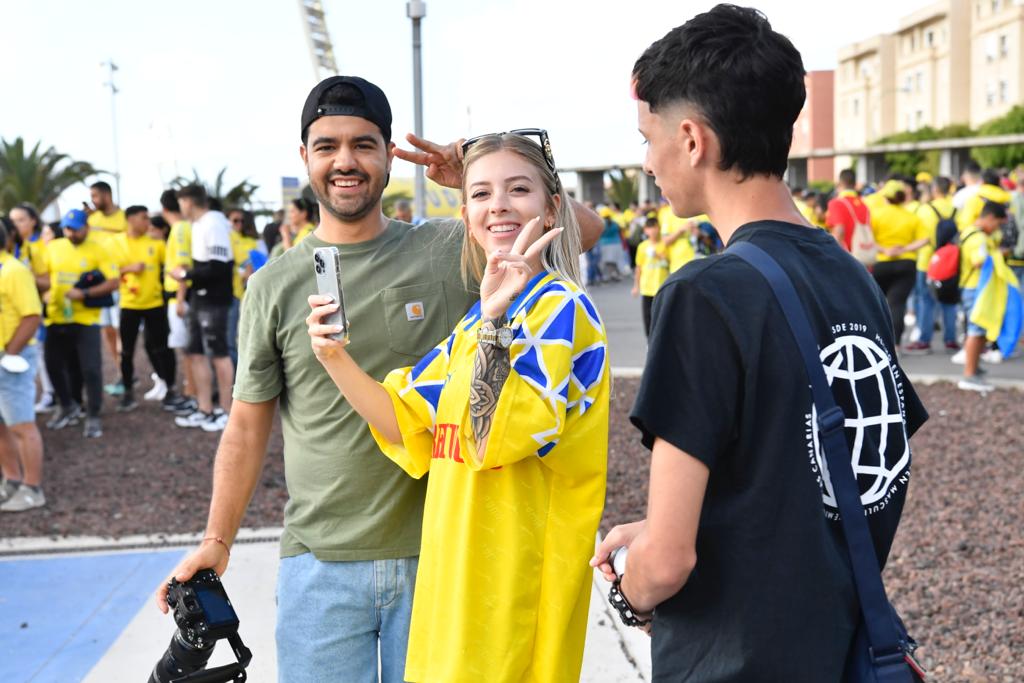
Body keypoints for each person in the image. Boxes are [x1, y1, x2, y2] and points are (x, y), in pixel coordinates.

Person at [154, 75, 602, 683]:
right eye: (327, 146)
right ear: (305, 157)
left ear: (390, 156)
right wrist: (217, 539)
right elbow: (246, 426)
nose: (346, 161)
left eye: (364, 145)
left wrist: (474, 175)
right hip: (320, 562)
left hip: (439, 554)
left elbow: (579, 233)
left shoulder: (453, 247)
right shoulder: (272, 285)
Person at [590, 6, 928, 681]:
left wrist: (630, 588)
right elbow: (828, 481)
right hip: (839, 650)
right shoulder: (852, 279)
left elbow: (669, 563)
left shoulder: (703, 294)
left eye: (648, 138)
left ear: (692, 140)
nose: (647, 162)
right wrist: (658, 531)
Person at [307, 129, 608, 682]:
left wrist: (495, 322)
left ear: (551, 208)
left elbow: (490, 441)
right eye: (481, 193)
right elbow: (399, 420)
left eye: (519, 189)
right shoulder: (475, 324)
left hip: (514, 596)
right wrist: (332, 355)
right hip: (456, 591)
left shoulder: (559, 308)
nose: (499, 205)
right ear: (466, 216)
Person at [40, 209, 120, 438]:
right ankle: (67, 405)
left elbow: (113, 282)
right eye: (67, 228)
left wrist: (84, 293)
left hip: (86, 319)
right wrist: (43, 290)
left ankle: (93, 414)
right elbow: (44, 277)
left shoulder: (99, 249)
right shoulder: (54, 247)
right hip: (56, 316)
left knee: (91, 368)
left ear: (87, 228)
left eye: (76, 229)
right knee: (53, 364)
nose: (71, 233)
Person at [170, 184, 234, 432]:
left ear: (188, 201)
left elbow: (219, 268)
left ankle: (227, 412)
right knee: (194, 352)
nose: (180, 207)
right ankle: (204, 408)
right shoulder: (197, 225)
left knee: (219, 354)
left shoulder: (214, 223)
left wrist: (185, 275)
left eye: (181, 202)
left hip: (215, 300)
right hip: (199, 298)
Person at [0, 222, 45, 512]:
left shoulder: (14, 271)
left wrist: (9, 353)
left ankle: (32, 488)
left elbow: (31, 316)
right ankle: (12, 480)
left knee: (21, 425)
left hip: (10, 358)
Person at [114, 206, 176, 412]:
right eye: (143, 218)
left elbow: (169, 267)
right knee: (126, 351)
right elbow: (107, 271)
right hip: (129, 305)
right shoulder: (116, 243)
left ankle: (170, 389)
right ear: (130, 219)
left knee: (162, 348)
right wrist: (128, 269)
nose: (148, 222)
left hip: (155, 304)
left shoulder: (156, 244)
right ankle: (128, 392)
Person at [7, 204, 55, 413]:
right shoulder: (9, 251)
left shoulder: (35, 249)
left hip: (32, 312)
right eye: (13, 220)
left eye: (21, 219)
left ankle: (49, 394)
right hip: (10, 316)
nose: (16, 225)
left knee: (37, 353)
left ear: (33, 221)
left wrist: (26, 276)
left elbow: (48, 282)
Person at [869, 179, 929, 347]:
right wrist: (904, 249)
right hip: (906, 263)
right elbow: (925, 239)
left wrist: (885, 250)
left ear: (885, 197)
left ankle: (878, 341)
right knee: (897, 304)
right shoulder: (911, 217)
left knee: (877, 303)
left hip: (881, 263)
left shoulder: (875, 215)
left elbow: (868, 239)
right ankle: (895, 345)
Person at [958, 202, 1010, 392]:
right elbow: (978, 261)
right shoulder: (978, 238)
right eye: (998, 223)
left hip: (974, 288)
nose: (997, 228)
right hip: (975, 288)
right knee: (976, 331)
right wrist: (998, 253)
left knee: (978, 331)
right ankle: (969, 375)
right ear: (989, 218)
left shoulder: (970, 232)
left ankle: (974, 369)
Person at [906, 176, 960, 352]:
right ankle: (950, 339)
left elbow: (916, 234)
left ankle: (924, 340)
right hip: (951, 262)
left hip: (927, 260)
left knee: (926, 300)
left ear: (935, 190)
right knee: (950, 301)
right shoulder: (956, 209)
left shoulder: (925, 210)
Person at [86, 180, 127, 382]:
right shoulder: (92, 220)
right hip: (100, 283)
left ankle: (127, 371)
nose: (92, 201)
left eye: (95, 196)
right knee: (107, 331)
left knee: (122, 330)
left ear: (106, 195)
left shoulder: (124, 217)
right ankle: (120, 371)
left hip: (121, 281)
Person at [159, 190, 195, 412]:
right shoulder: (183, 227)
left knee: (188, 350)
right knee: (187, 349)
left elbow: (183, 267)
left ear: (164, 209)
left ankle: (191, 392)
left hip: (179, 297)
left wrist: (180, 299)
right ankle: (191, 391)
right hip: (179, 296)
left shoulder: (180, 228)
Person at [227, 209, 259, 368]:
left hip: (245, 293)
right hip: (231, 293)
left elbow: (254, 266)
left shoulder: (251, 240)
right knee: (231, 338)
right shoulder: (227, 237)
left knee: (241, 337)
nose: (239, 224)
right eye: (235, 220)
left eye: (241, 221)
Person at [632, 216, 669, 336]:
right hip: (647, 287)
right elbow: (639, 267)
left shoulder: (665, 243)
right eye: (649, 228)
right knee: (647, 317)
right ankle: (649, 341)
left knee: (662, 316)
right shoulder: (642, 246)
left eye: (655, 227)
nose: (652, 231)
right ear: (645, 230)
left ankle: (661, 340)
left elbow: (669, 263)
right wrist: (636, 286)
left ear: (659, 228)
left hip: (661, 286)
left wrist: (657, 255)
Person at [825, 168, 870, 252]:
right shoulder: (864, 204)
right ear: (855, 184)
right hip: (863, 254)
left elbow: (839, 231)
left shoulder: (836, 203)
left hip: (846, 255)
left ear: (839, 183)